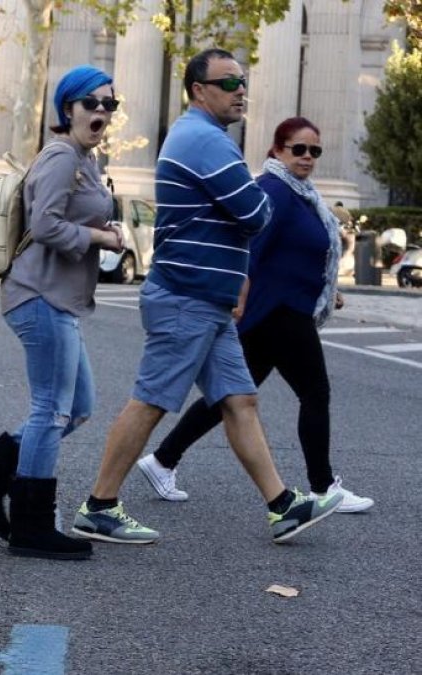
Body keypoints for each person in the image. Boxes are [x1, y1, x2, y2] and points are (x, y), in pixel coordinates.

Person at [69, 49, 342, 546]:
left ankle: (283, 505)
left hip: (208, 300)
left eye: (243, 82)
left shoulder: (206, 137)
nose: (241, 91)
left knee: (240, 400)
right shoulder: (204, 140)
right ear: (199, 90)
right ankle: (99, 506)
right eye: (229, 83)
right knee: (151, 401)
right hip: (186, 296)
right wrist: (246, 213)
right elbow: (256, 213)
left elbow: (251, 211)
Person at [136, 117, 373, 512]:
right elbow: (250, 249)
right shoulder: (275, 191)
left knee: (229, 397)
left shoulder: (299, 193)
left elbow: (295, 255)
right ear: (277, 150)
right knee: (314, 392)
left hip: (278, 310)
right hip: (277, 311)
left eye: (315, 151)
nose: (308, 157)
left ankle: (162, 460)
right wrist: (238, 295)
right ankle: (323, 487)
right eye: (299, 149)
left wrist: (327, 290)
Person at [0, 64, 126, 561]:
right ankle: (31, 525)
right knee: (51, 410)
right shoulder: (60, 156)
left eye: (109, 104)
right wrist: (99, 237)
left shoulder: (85, 159)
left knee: (77, 407)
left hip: (59, 298)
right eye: (91, 103)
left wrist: (108, 230)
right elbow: (47, 225)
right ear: (68, 108)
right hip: (39, 295)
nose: (100, 111)